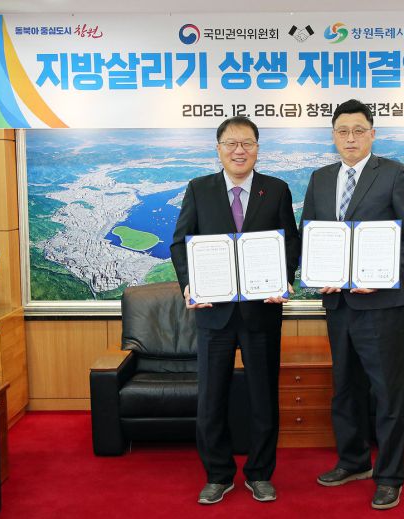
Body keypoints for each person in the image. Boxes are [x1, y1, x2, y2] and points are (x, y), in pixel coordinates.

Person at [300, 99, 404, 510]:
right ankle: (353, 461)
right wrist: (315, 271)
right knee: (345, 389)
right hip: (337, 305)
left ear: (372, 134)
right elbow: (310, 233)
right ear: (333, 136)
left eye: (358, 130)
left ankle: (389, 476)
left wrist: (383, 275)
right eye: (342, 131)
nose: (350, 138)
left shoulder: (393, 173)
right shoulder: (320, 178)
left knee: (386, 393)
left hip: (380, 306)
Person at [170, 116, 300, 505]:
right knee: (211, 399)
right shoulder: (199, 188)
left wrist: (283, 279)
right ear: (219, 149)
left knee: (263, 397)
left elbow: (289, 243)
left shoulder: (276, 189)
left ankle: (260, 473)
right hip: (214, 312)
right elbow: (181, 243)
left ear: (257, 148)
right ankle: (218, 474)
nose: (239, 150)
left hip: (262, 311)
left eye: (247, 143)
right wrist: (189, 285)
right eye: (231, 143)